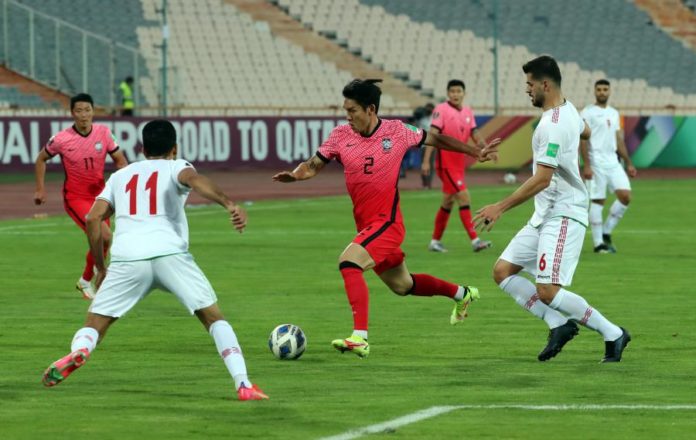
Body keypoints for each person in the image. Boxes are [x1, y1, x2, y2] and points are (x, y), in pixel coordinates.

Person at [41, 120, 268, 401]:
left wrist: (100, 267)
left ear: (142, 149)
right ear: (174, 148)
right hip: (169, 255)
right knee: (213, 318)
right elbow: (195, 181)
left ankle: (81, 350)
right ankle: (243, 383)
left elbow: (92, 218)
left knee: (96, 323)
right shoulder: (176, 166)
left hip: (127, 259)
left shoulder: (120, 176)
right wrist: (229, 204)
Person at [273, 79, 499, 358]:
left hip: (388, 224)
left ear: (370, 109)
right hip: (367, 227)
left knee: (349, 263)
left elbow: (436, 139)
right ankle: (463, 294)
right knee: (403, 285)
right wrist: (295, 175)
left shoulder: (398, 131)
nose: (347, 116)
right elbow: (312, 165)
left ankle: (360, 337)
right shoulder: (340, 135)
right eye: (345, 110)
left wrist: (475, 151)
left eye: (352, 110)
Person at [474, 55, 631, 363]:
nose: (527, 89)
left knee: (547, 290)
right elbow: (586, 131)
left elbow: (543, 178)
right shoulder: (569, 110)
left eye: (529, 84)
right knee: (502, 271)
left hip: (564, 212)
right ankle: (558, 324)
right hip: (544, 213)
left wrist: (500, 207)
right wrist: (575, 149)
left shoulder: (553, 124)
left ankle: (613, 333)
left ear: (545, 85)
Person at [34, 93, 129, 299]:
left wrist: (123, 182)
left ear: (93, 111)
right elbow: (41, 159)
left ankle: (86, 280)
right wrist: (40, 189)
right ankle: (98, 276)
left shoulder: (104, 133)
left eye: (87, 110)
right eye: (79, 111)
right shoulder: (61, 139)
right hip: (76, 198)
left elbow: (120, 161)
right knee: (105, 236)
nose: (84, 115)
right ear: (72, 113)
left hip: (101, 196)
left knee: (104, 241)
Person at [421, 80, 492, 253]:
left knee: (447, 202)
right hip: (446, 165)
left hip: (458, 165)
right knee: (464, 197)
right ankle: (475, 241)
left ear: (464, 93)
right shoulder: (441, 109)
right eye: (452, 91)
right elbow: (432, 136)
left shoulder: (468, 111)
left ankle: (435, 242)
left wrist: (485, 147)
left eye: (458, 91)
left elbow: (474, 133)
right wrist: (426, 160)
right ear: (448, 93)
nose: (455, 94)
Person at [580, 79, 637, 253]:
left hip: (613, 161)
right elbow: (583, 140)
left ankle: (606, 231)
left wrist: (628, 162)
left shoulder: (614, 113)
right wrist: (587, 165)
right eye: (599, 89)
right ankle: (598, 244)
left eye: (605, 89)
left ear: (609, 91)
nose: (602, 92)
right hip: (595, 162)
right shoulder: (587, 112)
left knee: (625, 196)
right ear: (594, 91)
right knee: (598, 201)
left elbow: (618, 139)